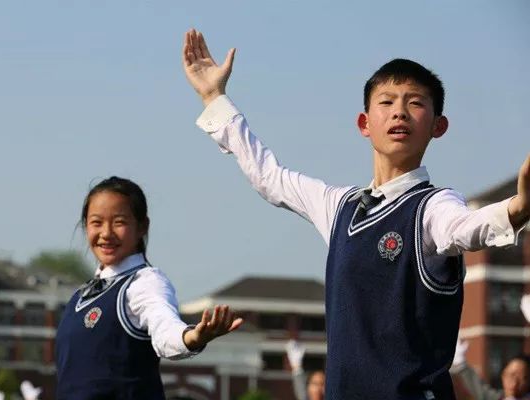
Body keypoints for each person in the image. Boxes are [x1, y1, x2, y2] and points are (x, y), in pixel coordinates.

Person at [182, 28, 530, 400]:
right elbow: (269, 176)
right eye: (387, 101)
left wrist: (520, 207)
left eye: (415, 102)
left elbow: (467, 228)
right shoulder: (339, 206)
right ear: (364, 124)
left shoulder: (433, 207)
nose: (399, 111)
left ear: (438, 126)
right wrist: (214, 97)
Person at [55, 176, 243, 399]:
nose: (106, 233)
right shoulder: (81, 296)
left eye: (119, 222)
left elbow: (165, 327)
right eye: (96, 222)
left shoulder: (144, 283)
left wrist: (192, 337)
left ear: (142, 226)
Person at [451, 339, 530, 400]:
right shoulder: (497, 397)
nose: (515, 382)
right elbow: (479, 390)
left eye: (523, 378)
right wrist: (461, 365)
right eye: (511, 375)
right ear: (503, 375)